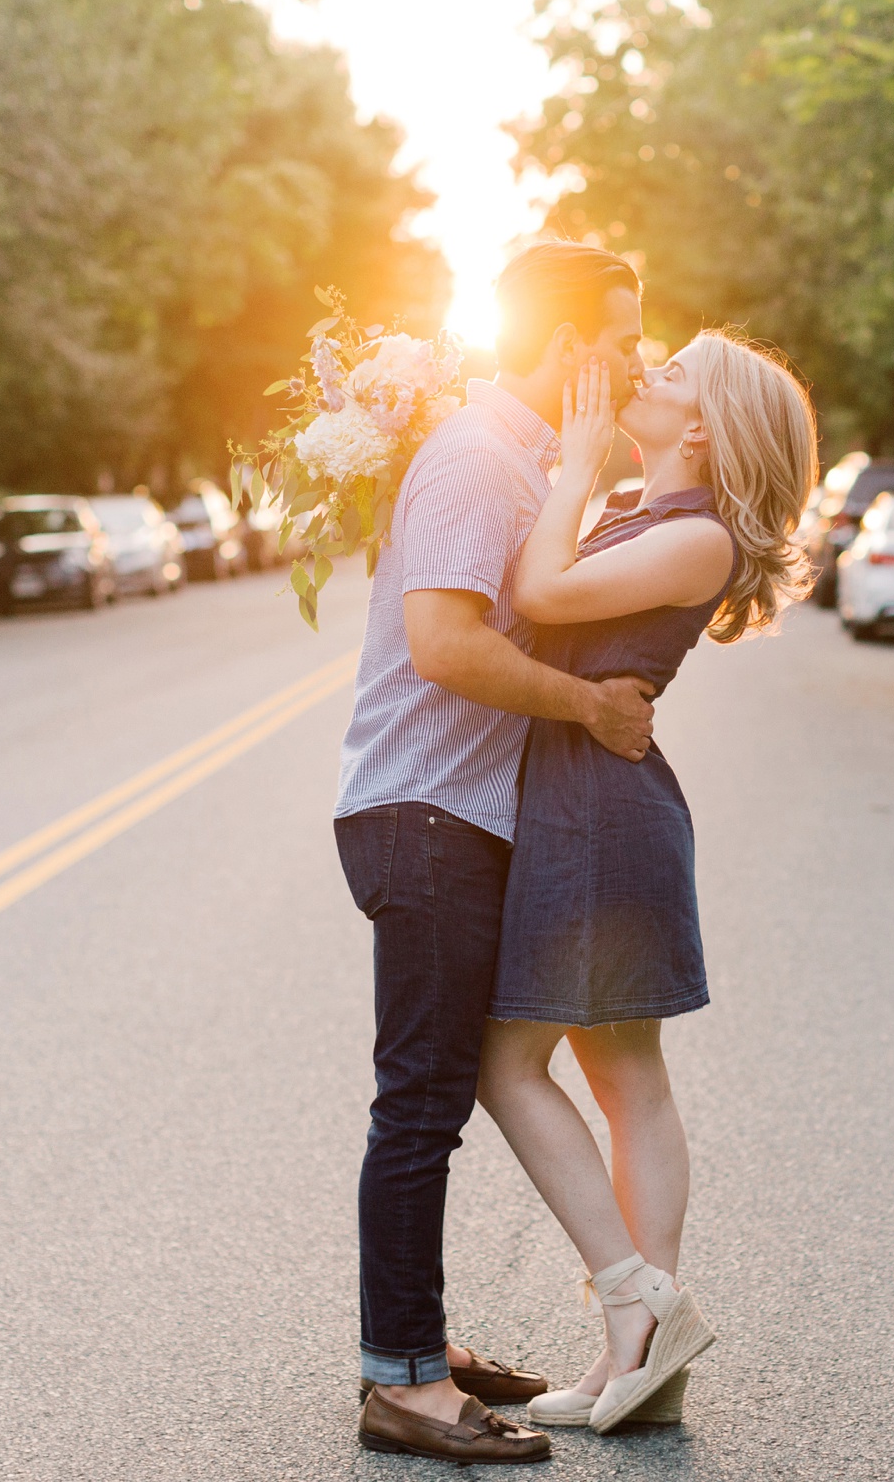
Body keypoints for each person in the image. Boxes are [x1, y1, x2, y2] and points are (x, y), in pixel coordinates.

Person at [334, 242, 657, 1465]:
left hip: (451, 815)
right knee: (418, 1101)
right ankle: (402, 1386)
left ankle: (413, 1342)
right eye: (623, 337)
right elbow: (440, 645)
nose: (636, 358)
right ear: (572, 345)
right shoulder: (475, 457)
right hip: (423, 814)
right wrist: (586, 710)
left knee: (436, 1091)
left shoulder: (522, 456)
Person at [476, 333, 819, 1433]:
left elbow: (540, 586)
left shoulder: (696, 538)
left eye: (669, 374)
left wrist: (571, 462)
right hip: (585, 800)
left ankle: (637, 1302)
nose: (642, 374)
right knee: (624, 1078)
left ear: (705, 426)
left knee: (505, 1061)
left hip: (595, 815)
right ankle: (644, 1356)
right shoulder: (649, 511)